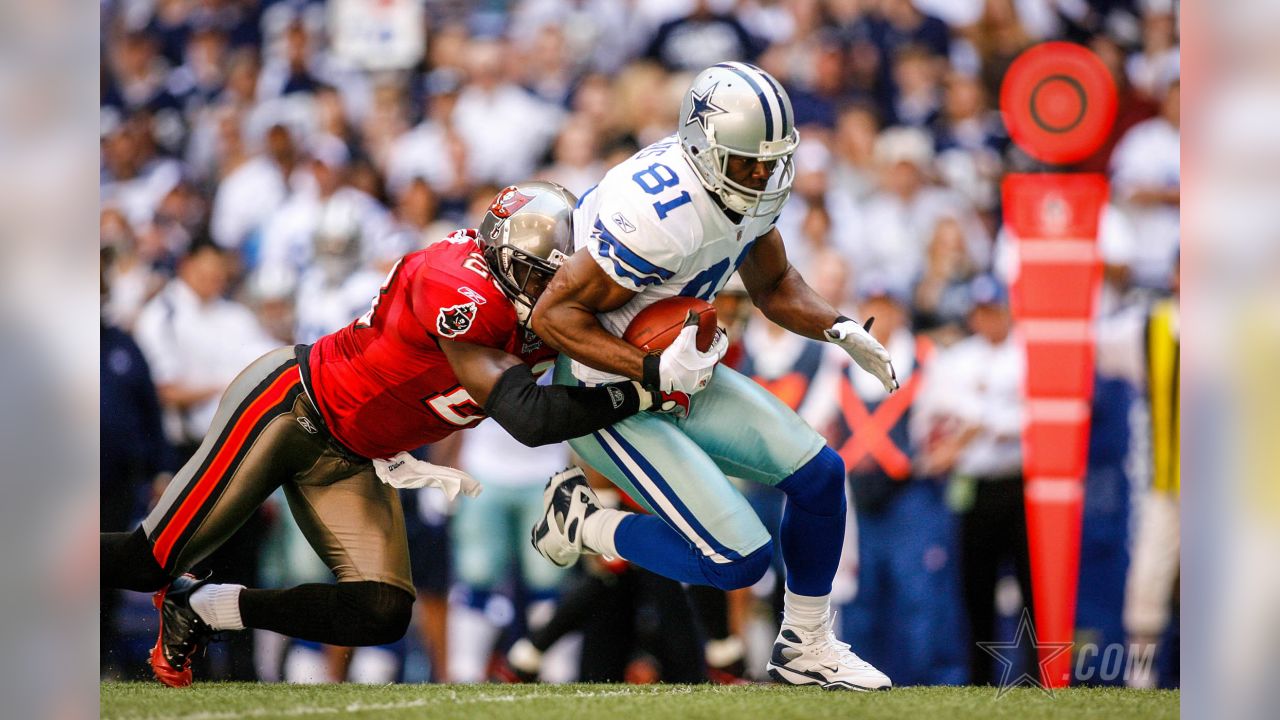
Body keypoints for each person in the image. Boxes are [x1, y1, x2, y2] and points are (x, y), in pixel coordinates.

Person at [99, 181, 688, 688]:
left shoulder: (536, 292)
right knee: (148, 559)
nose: (554, 290)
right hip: (289, 410)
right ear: (504, 258)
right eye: (541, 276)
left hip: (356, 453)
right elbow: (529, 418)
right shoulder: (457, 285)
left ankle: (203, 608)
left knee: (380, 612)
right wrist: (644, 385)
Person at [527, 62, 899, 691]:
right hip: (602, 388)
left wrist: (839, 327)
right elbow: (553, 314)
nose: (761, 173)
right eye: (747, 161)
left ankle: (805, 645)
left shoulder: (747, 184)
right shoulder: (656, 212)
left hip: (676, 370)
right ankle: (582, 522)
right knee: (738, 561)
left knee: (820, 477)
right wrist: (651, 368)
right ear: (702, 146)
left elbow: (774, 283)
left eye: (770, 161)